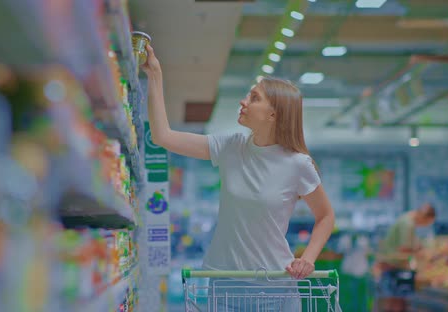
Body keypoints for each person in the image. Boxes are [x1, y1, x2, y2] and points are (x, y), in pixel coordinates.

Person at [141, 44, 336, 309]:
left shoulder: (297, 164)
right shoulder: (230, 147)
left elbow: (325, 216)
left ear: (273, 114)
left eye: (254, 98)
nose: (244, 102)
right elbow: (163, 136)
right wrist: (155, 75)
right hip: (225, 283)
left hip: (276, 282)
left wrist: (308, 259)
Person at [375, 203, 436, 312]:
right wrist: (421, 252)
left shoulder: (406, 220)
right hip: (393, 266)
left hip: (394, 266)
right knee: (396, 302)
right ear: (424, 216)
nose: (424, 225)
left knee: (393, 300)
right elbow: (404, 248)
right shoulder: (408, 223)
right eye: (426, 223)